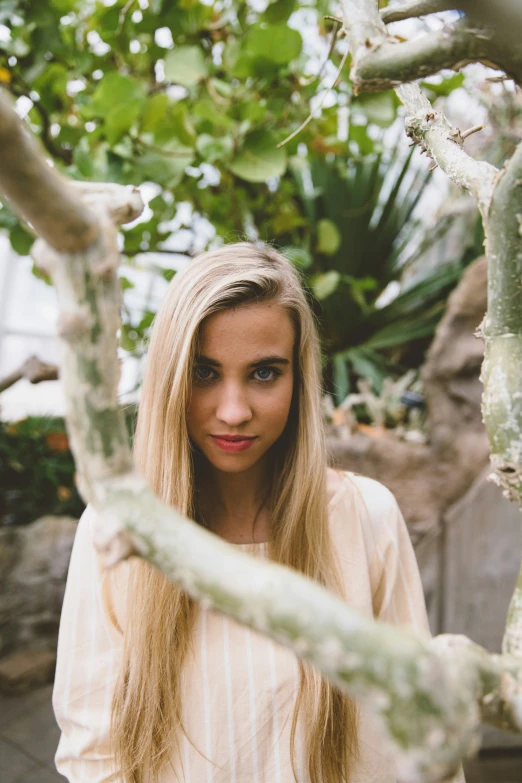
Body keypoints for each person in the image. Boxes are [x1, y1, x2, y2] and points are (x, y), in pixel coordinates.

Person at [52, 240, 461, 783]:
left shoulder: (365, 517)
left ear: (299, 376)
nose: (234, 411)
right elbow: (93, 756)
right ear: (170, 377)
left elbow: (414, 735)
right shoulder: (116, 531)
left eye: (265, 373)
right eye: (204, 372)